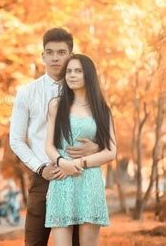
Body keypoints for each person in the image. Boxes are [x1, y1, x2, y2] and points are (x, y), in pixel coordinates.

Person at [9, 28, 99, 246]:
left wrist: (95, 148)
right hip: (44, 178)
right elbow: (16, 140)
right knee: (34, 241)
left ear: (71, 54)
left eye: (61, 52)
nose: (55, 58)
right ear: (43, 56)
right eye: (50, 52)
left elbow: (102, 134)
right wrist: (41, 168)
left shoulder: (88, 94)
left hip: (79, 177)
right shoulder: (28, 92)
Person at [45, 54, 116, 246]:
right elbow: (49, 146)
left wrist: (79, 162)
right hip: (62, 179)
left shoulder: (101, 109)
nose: (72, 75)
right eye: (69, 71)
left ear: (89, 75)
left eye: (78, 71)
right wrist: (63, 163)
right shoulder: (56, 105)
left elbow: (111, 151)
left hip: (90, 180)